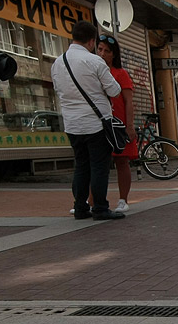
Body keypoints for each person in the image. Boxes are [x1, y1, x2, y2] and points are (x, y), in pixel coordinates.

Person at [51, 20, 124, 221]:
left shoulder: (58, 63)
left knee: (81, 165)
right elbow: (115, 90)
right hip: (95, 123)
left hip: (72, 124)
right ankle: (100, 208)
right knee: (99, 166)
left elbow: (58, 91)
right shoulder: (94, 62)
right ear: (92, 41)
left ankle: (80, 207)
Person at [96, 34, 137, 213]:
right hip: (98, 124)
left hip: (118, 124)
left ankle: (123, 199)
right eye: (99, 49)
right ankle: (92, 200)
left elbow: (128, 101)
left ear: (114, 54)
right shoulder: (92, 71)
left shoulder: (120, 74)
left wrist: (129, 125)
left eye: (107, 51)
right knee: (97, 163)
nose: (102, 53)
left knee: (122, 161)